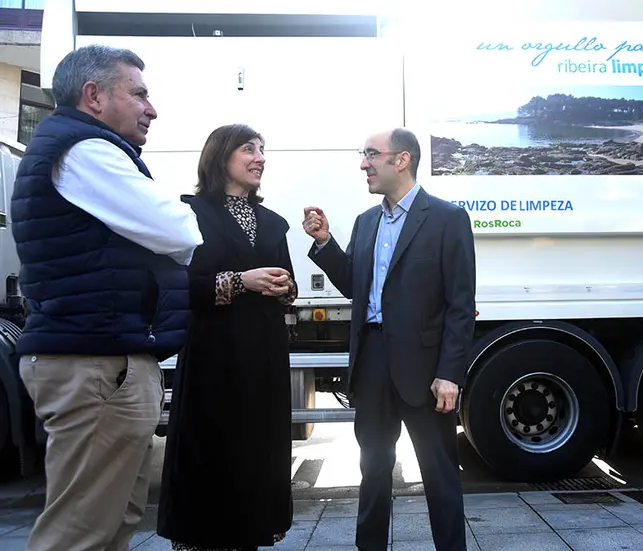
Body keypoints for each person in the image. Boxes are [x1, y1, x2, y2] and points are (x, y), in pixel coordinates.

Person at [9, 45, 203, 550]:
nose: (151, 108)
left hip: (97, 360)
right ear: (93, 96)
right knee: (81, 532)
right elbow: (179, 229)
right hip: (95, 365)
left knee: (113, 522)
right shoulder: (86, 151)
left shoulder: (75, 146)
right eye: (138, 93)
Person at [303, 127, 477, 550]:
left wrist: (450, 374)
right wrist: (325, 243)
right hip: (373, 362)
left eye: (371, 155)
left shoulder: (447, 219)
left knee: (439, 474)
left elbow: (460, 303)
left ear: (402, 160)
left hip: (426, 370)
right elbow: (356, 287)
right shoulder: (366, 223)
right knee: (373, 470)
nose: (364, 164)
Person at [156, 124, 296, 551]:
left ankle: (249, 535)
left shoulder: (273, 222)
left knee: (257, 452)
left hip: (263, 355)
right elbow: (180, 285)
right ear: (221, 157)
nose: (260, 158)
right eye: (248, 149)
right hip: (213, 357)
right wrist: (240, 281)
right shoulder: (191, 213)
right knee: (210, 449)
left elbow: (288, 290)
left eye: (262, 150)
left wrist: (282, 286)